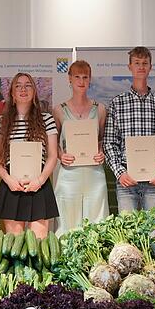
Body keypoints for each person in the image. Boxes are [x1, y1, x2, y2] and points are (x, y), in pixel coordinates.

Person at [103, 46, 155, 212]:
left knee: (153, 232)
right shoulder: (117, 103)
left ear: (150, 66)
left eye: (145, 63)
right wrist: (120, 172)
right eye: (137, 63)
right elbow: (109, 143)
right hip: (127, 179)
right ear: (130, 67)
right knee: (127, 233)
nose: (141, 66)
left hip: (154, 181)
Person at [0, 72, 59, 238]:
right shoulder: (0, 121)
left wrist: (40, 180)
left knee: (39, 245)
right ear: (12, 93)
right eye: (18, 86)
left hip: (39, 185)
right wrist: (8, 180)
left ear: (34, 91)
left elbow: (52, 155)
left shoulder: (47, 119)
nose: (23, 89)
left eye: (28, 85)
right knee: (14, 244)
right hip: (11, 185)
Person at [52, 60, 109, 236]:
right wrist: (61, 155)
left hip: (94, 174)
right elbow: (53, 142)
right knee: (67, 224)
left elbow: (102, 140)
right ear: (69, 79)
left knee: (97, 223)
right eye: (77, 76)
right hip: (69, 175)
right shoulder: (59, 110)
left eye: (85, 77)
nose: (81, 81)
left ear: (90, 79)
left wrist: (102, 152)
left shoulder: (99, 109)